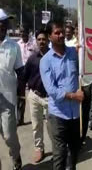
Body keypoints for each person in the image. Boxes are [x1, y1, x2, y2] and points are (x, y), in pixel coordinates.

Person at [40, 21, 84, 170]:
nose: (60, 35)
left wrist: (85, 52)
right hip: (58, 115)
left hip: (75, 114)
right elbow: (52, 90)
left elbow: (84, 67)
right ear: (49, 36)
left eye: (61, 32)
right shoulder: (46, 61)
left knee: (74, 151)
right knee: (60, 154)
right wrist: (73, 96)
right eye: (56, 33)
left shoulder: (73, 52)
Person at [22, 29, 51, 163]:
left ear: (48, 40)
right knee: (36, 125)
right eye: (39, 39)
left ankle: (58, 149)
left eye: (43, 39)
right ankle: (39, 149)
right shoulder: (32, 58)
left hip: (50, 98)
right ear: (36, 41)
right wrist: (21, 91)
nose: (41, 42)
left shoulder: (53, 56)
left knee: (52, 125)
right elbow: (24, 76)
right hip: (34, 96)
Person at [0, 8, 23, 170]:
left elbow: (20, 71)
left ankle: (15, 155)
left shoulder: (14, 46)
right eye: (1, 23)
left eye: (5, 23)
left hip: (8, 98)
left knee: (9, 135)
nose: (3, 26)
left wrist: (21, 93)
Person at [16, 26, 37, 125]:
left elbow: (39, 54)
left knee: (34, 95)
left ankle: (37, 117)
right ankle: (20, 119)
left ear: (28, 32)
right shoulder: (17, 45)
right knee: (21, 96)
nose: (22, 34)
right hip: (21, 73)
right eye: (21, 32)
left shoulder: (34, 43)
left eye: (24, 32)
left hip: (32, 73)